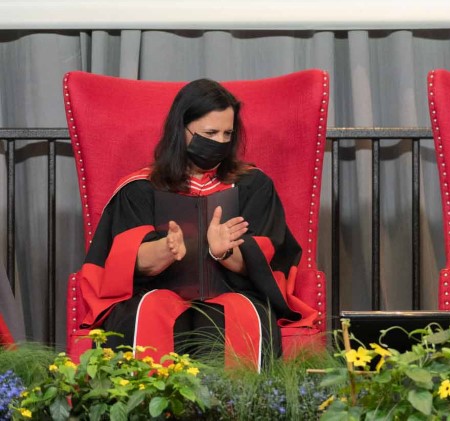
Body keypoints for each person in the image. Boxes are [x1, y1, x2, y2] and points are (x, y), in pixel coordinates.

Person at [77, 79, 316, 368]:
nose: (219, 142)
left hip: (233, 291)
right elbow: (123, 263)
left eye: (227, 133)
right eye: (209, 132)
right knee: (148, 309)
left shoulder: (253, 184)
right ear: (181, 130)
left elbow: (266, 261)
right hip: (155, 292)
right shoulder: (140, 188)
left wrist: (224, 252)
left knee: (242, 313)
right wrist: (166, 249)